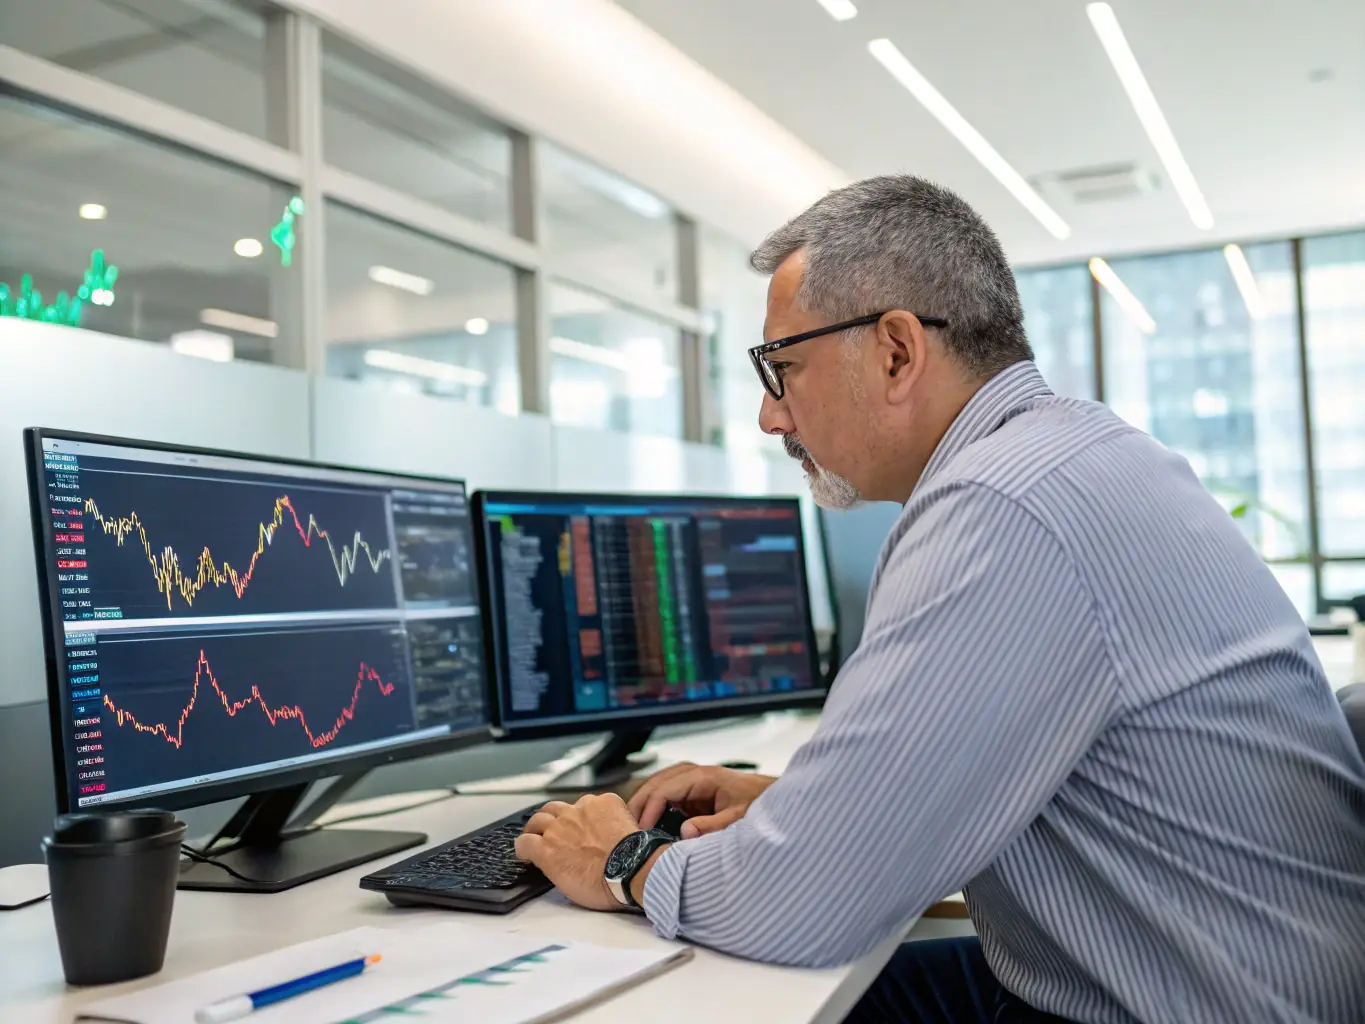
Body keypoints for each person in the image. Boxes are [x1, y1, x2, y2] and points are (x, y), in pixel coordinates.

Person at [514, 175, 1365, 1023]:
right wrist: (796, 805)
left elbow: (800, 903)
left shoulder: (1002, 507)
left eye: (784, 369)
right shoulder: (1072, 453)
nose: (771, 418)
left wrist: (623, 859)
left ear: (894, 350)